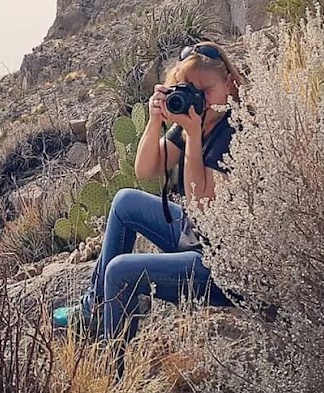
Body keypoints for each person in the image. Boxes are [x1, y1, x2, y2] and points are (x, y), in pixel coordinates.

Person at [54, 41, 245, 339]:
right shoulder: (196, 123)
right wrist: (155, 120)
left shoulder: (235, 131)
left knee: (120, 271)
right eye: (189, 91)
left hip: (221, 267)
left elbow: (202, 206)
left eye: (206, 91)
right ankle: (94, 311)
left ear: (230, 84)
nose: (199, 101)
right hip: (194, 240)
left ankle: (113, 366)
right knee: (124, 201)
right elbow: (145, 170)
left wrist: (193, 138)